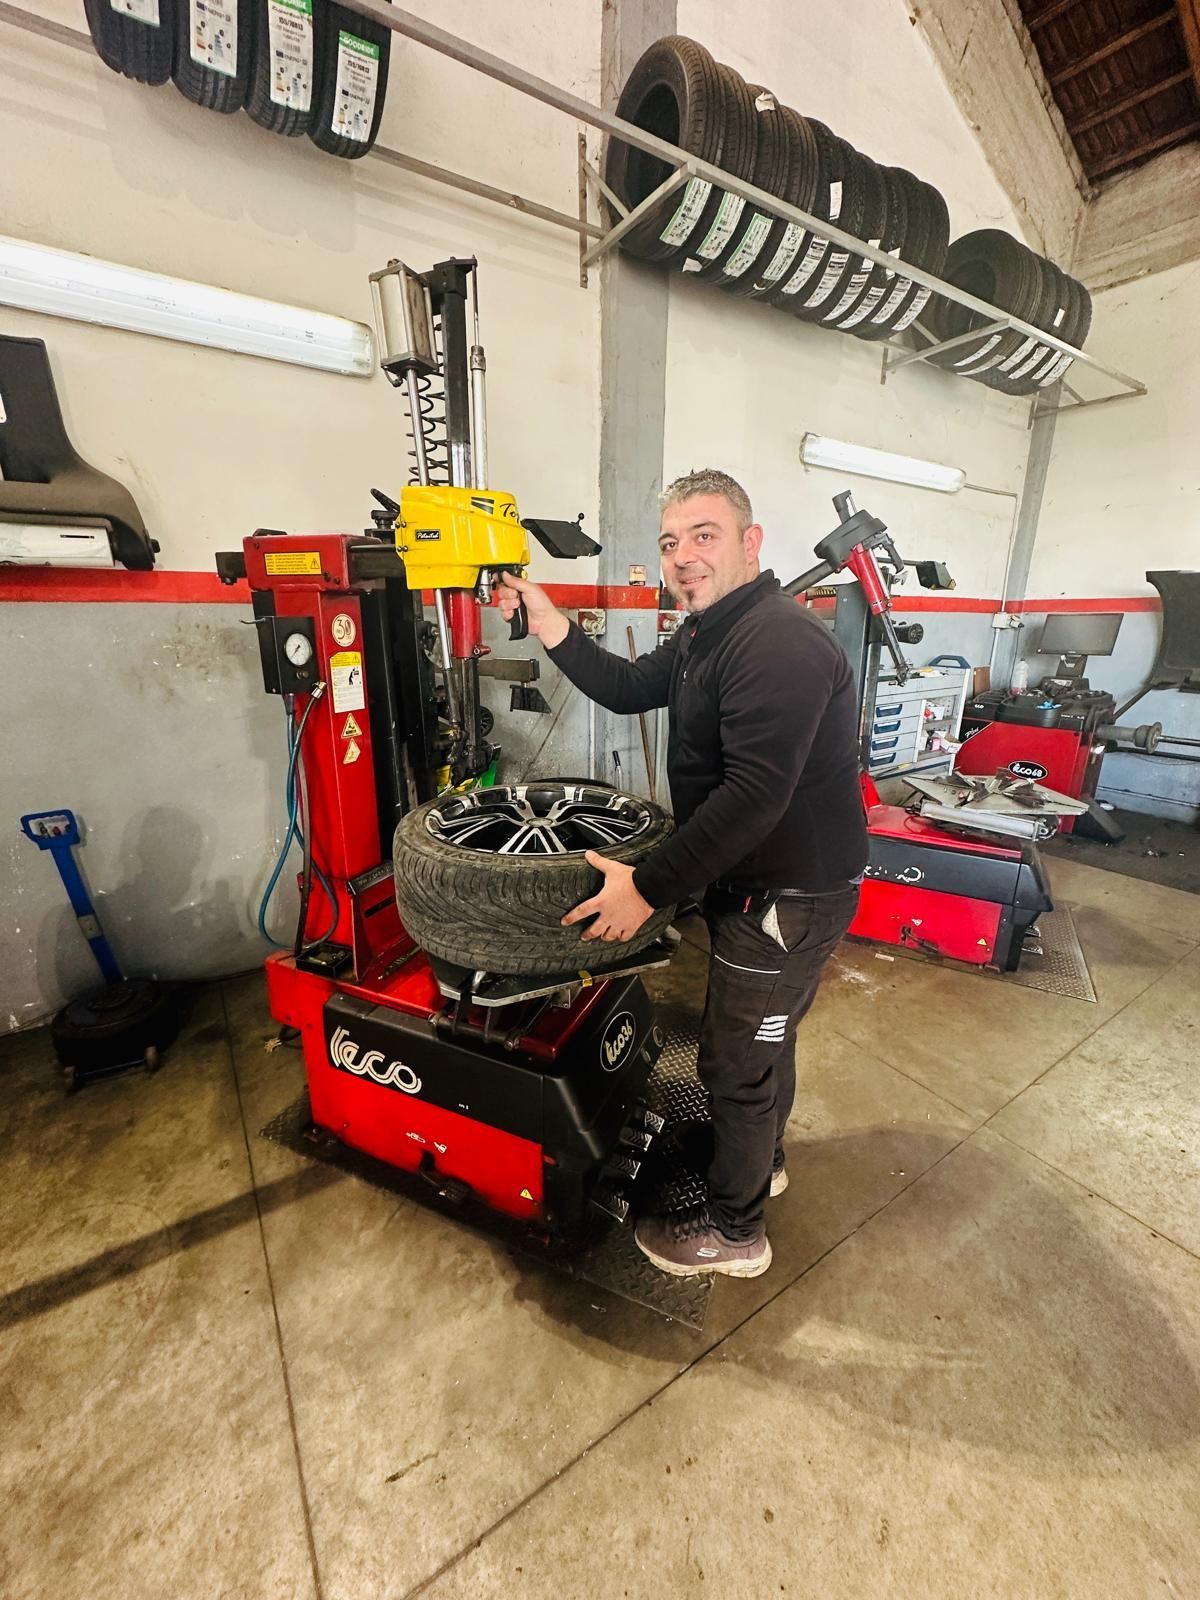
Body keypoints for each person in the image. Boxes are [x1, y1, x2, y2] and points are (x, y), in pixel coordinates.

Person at [496, 469, 867, 1280]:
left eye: (704, 536)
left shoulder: (778, 644)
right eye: (670, 543)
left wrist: (647, 887)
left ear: (750, 543)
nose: (684, 556)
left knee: (735, 1060)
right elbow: (630, 688)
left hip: (789, 893)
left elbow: (753, 800)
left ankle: (736, 1234)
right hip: (757, 879)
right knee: (763, 1041)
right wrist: (555, 625)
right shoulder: (710, 631)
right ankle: (759, 1159)